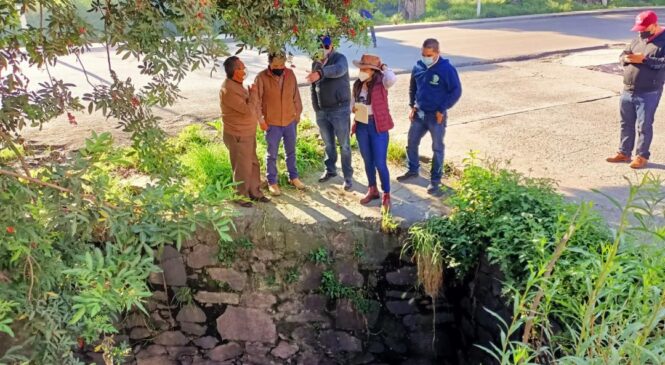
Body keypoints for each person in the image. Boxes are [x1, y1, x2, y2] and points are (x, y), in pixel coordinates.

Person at [397, 38, 462, 196]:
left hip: (436, 116)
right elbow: (413, 88)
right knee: (411, 142)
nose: (425, 57)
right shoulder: (418, 66)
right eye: (423, 54)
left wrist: (442, 108)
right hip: (419, 114)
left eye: (429, 55)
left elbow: (456, 91)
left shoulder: (446, 69)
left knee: (437, 148)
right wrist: (412, 105)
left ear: (437, 53)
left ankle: (435, 180)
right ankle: (412, 170)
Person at [606, 10, 665, 169]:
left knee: (644, 125)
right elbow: (623, 54)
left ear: (653, 26)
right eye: (639, 28)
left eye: (644, 28)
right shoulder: (638, 38)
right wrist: (625, 59)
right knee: (626, 123)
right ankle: (624, 153)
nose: (640, 31)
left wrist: (644, 59)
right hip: (628, 89)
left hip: (649, 91)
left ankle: (642, 156)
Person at [219, 56, 270, 207]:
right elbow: (247, 111)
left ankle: (254, 192)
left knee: (253, 163)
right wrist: (253, 93)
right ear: (235, 72)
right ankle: (240, 196)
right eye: (242, 67)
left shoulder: (237, 84)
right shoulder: (228, 89)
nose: (244, 70)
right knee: (242, 166)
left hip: (247, 132)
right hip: (238, 134)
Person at [306, 35, 354, 191]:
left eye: (326, 47)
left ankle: (347, 176)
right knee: (328, 144)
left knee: (344, 145)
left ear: (331, 45)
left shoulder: (340, 59)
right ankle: (331, 170)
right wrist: (316, 107)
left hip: (340, 109)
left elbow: (338, 71)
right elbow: (313, 87)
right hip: (322, 111)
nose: (324, 50)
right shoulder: (316, 63)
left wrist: (320, 73)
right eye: (320, 47)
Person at [254, 52, 306, 196]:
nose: (279, 68)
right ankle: (272, 182)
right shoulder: (261, 77)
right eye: (276, 65)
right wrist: (261, 120)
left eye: (282, 65)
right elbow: (256, 101)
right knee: (272, 154)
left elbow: (296, 95)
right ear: (269, 63)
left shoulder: (290, 74)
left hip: (290, 120)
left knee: (291, 151)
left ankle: (293, 177)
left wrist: (298, 113)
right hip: (272, 123)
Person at [351, 54, 396, 212]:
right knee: (367, 160)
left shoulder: (381, 83)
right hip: (362, 125)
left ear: (373, 71)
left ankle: (387, 194)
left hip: (377, 126)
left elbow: (392, 78)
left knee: (380, 162)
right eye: (361, 68)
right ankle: (372, 189)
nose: (362, 71)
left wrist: (383, 67)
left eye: (365, 69)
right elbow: (353, 103)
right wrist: (354, 108)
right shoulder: (357, 85)